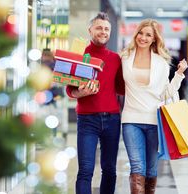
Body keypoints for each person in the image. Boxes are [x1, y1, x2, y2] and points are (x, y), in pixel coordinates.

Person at [119, 19, 188, 194]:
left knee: (150, 170)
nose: (143, 37)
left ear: (154, 39)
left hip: (155, 121)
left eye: (148, 34)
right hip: (131, 120)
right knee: (137, 167)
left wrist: (179, 74)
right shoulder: (125, 57)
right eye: (141, 33)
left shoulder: (161, 63)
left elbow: (166, 93)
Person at [66, 12, 124, 194]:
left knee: (109, 170)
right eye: (99, 27)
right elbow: (69, 90)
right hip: (87, 120)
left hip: (112, 119)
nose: (103, 31)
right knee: (85, 170)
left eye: (107, 29)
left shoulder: (115, 59)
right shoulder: (79, 55)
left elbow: (122, 89)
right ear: (90, 30)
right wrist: (80, 92)